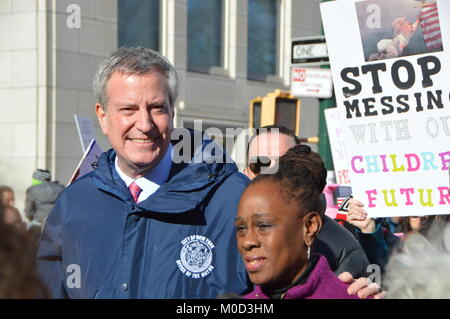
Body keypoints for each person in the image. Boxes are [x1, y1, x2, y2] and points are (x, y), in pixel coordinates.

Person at [37, 47, 251, 298]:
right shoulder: (73, 204)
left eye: (157, 108)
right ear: (103, 117)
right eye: (128, 109)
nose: (144, 125)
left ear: (173, 113)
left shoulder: (233, 201)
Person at [244, 125, 371, 279]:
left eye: (282, 164)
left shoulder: (343, 250)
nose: (270, 174)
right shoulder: (221, 225)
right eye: (259, 164)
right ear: (246, 172)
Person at [238, 144, 360, 299]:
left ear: (310, 227)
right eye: (240, 228)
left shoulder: (347, 290)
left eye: (264, 226)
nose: (248, 241)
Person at [0, 203, 50, 298]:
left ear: (23, 225)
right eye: (4, 229)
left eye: (13, 225)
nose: (8, 234)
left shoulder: (38, 260)